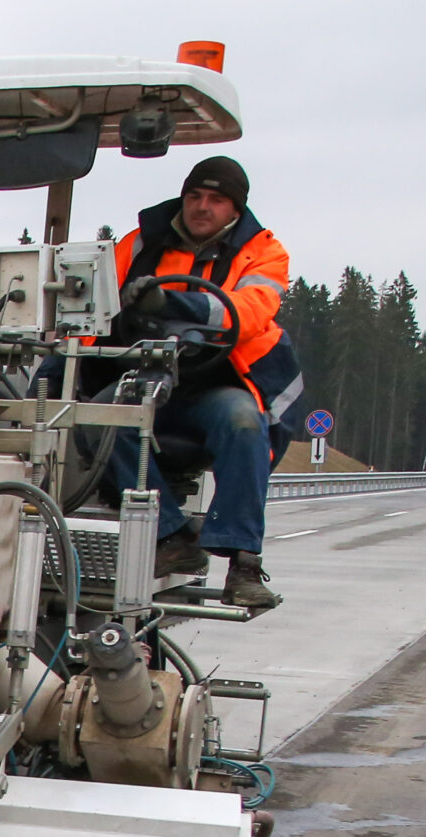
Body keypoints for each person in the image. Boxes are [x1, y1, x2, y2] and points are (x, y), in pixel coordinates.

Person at [105, 156, 304, 608]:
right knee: (100, 419)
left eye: (216, 199)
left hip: (218, 383)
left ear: (235, 208)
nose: (202, 206)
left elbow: (249, 313)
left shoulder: (264, 253)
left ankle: (243, 563)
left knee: (243, 423)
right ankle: (174, 536)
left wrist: (172, 303)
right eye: (195, 196)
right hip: (147, 377)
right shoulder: (141, 244)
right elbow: (97, 303)